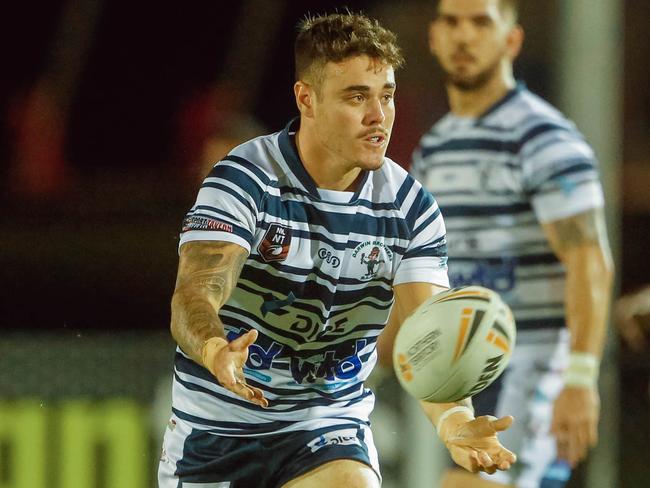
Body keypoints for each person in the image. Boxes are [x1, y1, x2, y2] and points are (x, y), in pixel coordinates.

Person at [159, 12, 516, 488]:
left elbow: (429, 333)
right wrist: (213, 348)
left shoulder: (410, 209)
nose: (378, 117)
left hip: (326, 424)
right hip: (217, 431)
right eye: (356, 97)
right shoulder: (245, 180)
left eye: (386, 96)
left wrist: (454, 421)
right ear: (306, 99)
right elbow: (194, 294)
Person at [410, 1, 615, 487]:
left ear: (511, 39)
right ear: (434, 37)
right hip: (456, 371)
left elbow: (589, 259)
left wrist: (582, 378)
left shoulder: (544, 139)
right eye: (452, 22)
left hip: (532, 364)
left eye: (481, 22)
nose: (464, 36)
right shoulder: (432, 150)